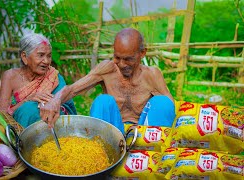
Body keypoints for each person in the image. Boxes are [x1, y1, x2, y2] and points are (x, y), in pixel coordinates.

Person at [39, 28, 175, 134]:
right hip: (113, 134)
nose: (121, 64)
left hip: (143, 133)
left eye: (128, 59)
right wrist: (55, 100)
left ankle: (151, 150)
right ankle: (101, 148)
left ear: (142, 53)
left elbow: (169, 109)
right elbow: (73, 89)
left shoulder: (152, 74)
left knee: (164, 102)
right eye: (117, 57)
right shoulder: (107, 69)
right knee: (103, 101)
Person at [0, 33, 77, 128]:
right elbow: (1, 115)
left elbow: (65, 110)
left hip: (53, 130)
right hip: (19, 131)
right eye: (41, 55)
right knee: (28, 109)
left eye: (49, 56)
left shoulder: (54, 77)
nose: (46, 61)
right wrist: (28, 100)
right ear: (24, 57)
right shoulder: (10, 76)